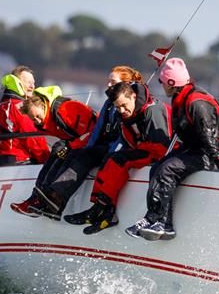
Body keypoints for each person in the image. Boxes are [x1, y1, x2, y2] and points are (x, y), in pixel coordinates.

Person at [126, 58, 219, 241]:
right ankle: (153, 218)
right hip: (198, 148)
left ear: (172, 83)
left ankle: (165, 224)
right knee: (158, 167)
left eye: (163, 81)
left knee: (168, 169)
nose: (161, 85)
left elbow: (209, 138)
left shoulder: (196, 103)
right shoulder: (180, 98)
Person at [24, 66, 142, 223]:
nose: (108, 85)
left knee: (82, 155)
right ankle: (45, 197)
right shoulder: (109, 104)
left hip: (118, 147)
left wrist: (94, 151)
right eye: (108, 81)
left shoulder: (131, 104)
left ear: (126, 84)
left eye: (112, 81)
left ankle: (56, 197)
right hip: (106, 144)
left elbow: (125, 135)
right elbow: (98, 130)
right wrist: (82, 147)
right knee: (68, 151)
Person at [64, 80, 173, 234]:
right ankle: (103, 210)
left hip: (162, 151)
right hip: (146, 147)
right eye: (117, 107)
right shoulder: (126, 116)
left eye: (124, 105)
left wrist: (134, 150)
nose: (121, 110)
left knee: (119, 160)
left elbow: (161, 147)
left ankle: (102, 209)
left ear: (133, 97)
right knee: (110, 159)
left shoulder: (152, 111)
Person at [10, 86, 97, 219]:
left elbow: (93, 130)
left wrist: (71, 146)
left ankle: (55, 200)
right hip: (78, 141)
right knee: (57, 151)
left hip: (96, 139)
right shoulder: (44, 122)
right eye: (33, 119)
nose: (37, 121)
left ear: (44, 106)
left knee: (68, 155)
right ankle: (37, 198)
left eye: (38, 116)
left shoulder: (64, 109)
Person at [0, 65, 49, 166]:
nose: (32, 86)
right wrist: (48, 160)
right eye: (29, 82)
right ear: (17, 83)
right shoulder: (18, 106)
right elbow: (33, 138)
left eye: (33, 83)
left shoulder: (6, 104)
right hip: (18, 162)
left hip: (4, 161)